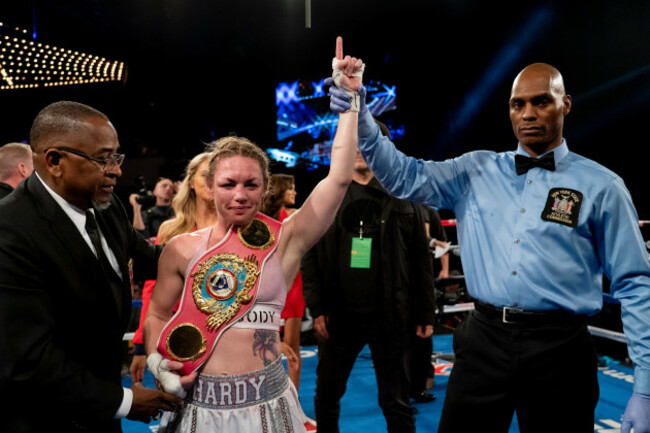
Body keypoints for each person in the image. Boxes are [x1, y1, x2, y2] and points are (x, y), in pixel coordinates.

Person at [328, 61, 650, 433]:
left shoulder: (603, 186)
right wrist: (361, 112)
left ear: (566, 105)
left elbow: (636, 284)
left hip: (560, 348)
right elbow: (403, 176)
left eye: (542, 102)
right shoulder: (474, 170)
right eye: (518, 104)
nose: (528, 114)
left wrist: (645, 388)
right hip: (483, 340)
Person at [142, 36, 361, 432]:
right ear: (209, 185)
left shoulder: (285, 239)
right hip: (199, 404)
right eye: (228, 184)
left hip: (268, 403)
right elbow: (158, 313)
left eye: (251, 185)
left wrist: (350, 104)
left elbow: (340, 179)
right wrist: (161, 365)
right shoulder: (179, 248)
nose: (240, 195)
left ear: (264, 189)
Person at [0, 100, 182, 432]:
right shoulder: (10, 230)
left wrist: (220, 252)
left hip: (99, 417)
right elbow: (29, 361)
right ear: (55, 161)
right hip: (40, 421)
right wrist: (124, 401)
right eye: (103, 159)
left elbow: (154, 260)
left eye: (116, 157)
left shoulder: (106, 206)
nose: (116, 170)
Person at [301, 119, 436, 433]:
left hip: (393, 317)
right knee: (327, 394)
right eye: (355, 140)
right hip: (338, 317)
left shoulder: (406, 194)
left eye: (369, 140)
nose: (361, 148)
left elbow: (421, 258)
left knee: (397, 401)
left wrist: (425, 310)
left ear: (384, 147)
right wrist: (316, 307)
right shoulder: (325, 193)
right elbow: (309, 254)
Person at [129, 152, 218, 384]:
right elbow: (152, 290)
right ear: (190, 184)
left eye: (220, 175)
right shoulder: (170, 231)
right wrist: (140, 346)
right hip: (177, 343)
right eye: (207, 174)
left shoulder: (242, 232)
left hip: (227, 343)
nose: (214, 180)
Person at [261, 173, 306, 390]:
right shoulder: (258, 219)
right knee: (263, 346)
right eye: (291, 188)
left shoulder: (295, 216)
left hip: (293, 285)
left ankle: (294, 400)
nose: (295, 192)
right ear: (280, 190)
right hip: (265, 285)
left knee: (292, 347)